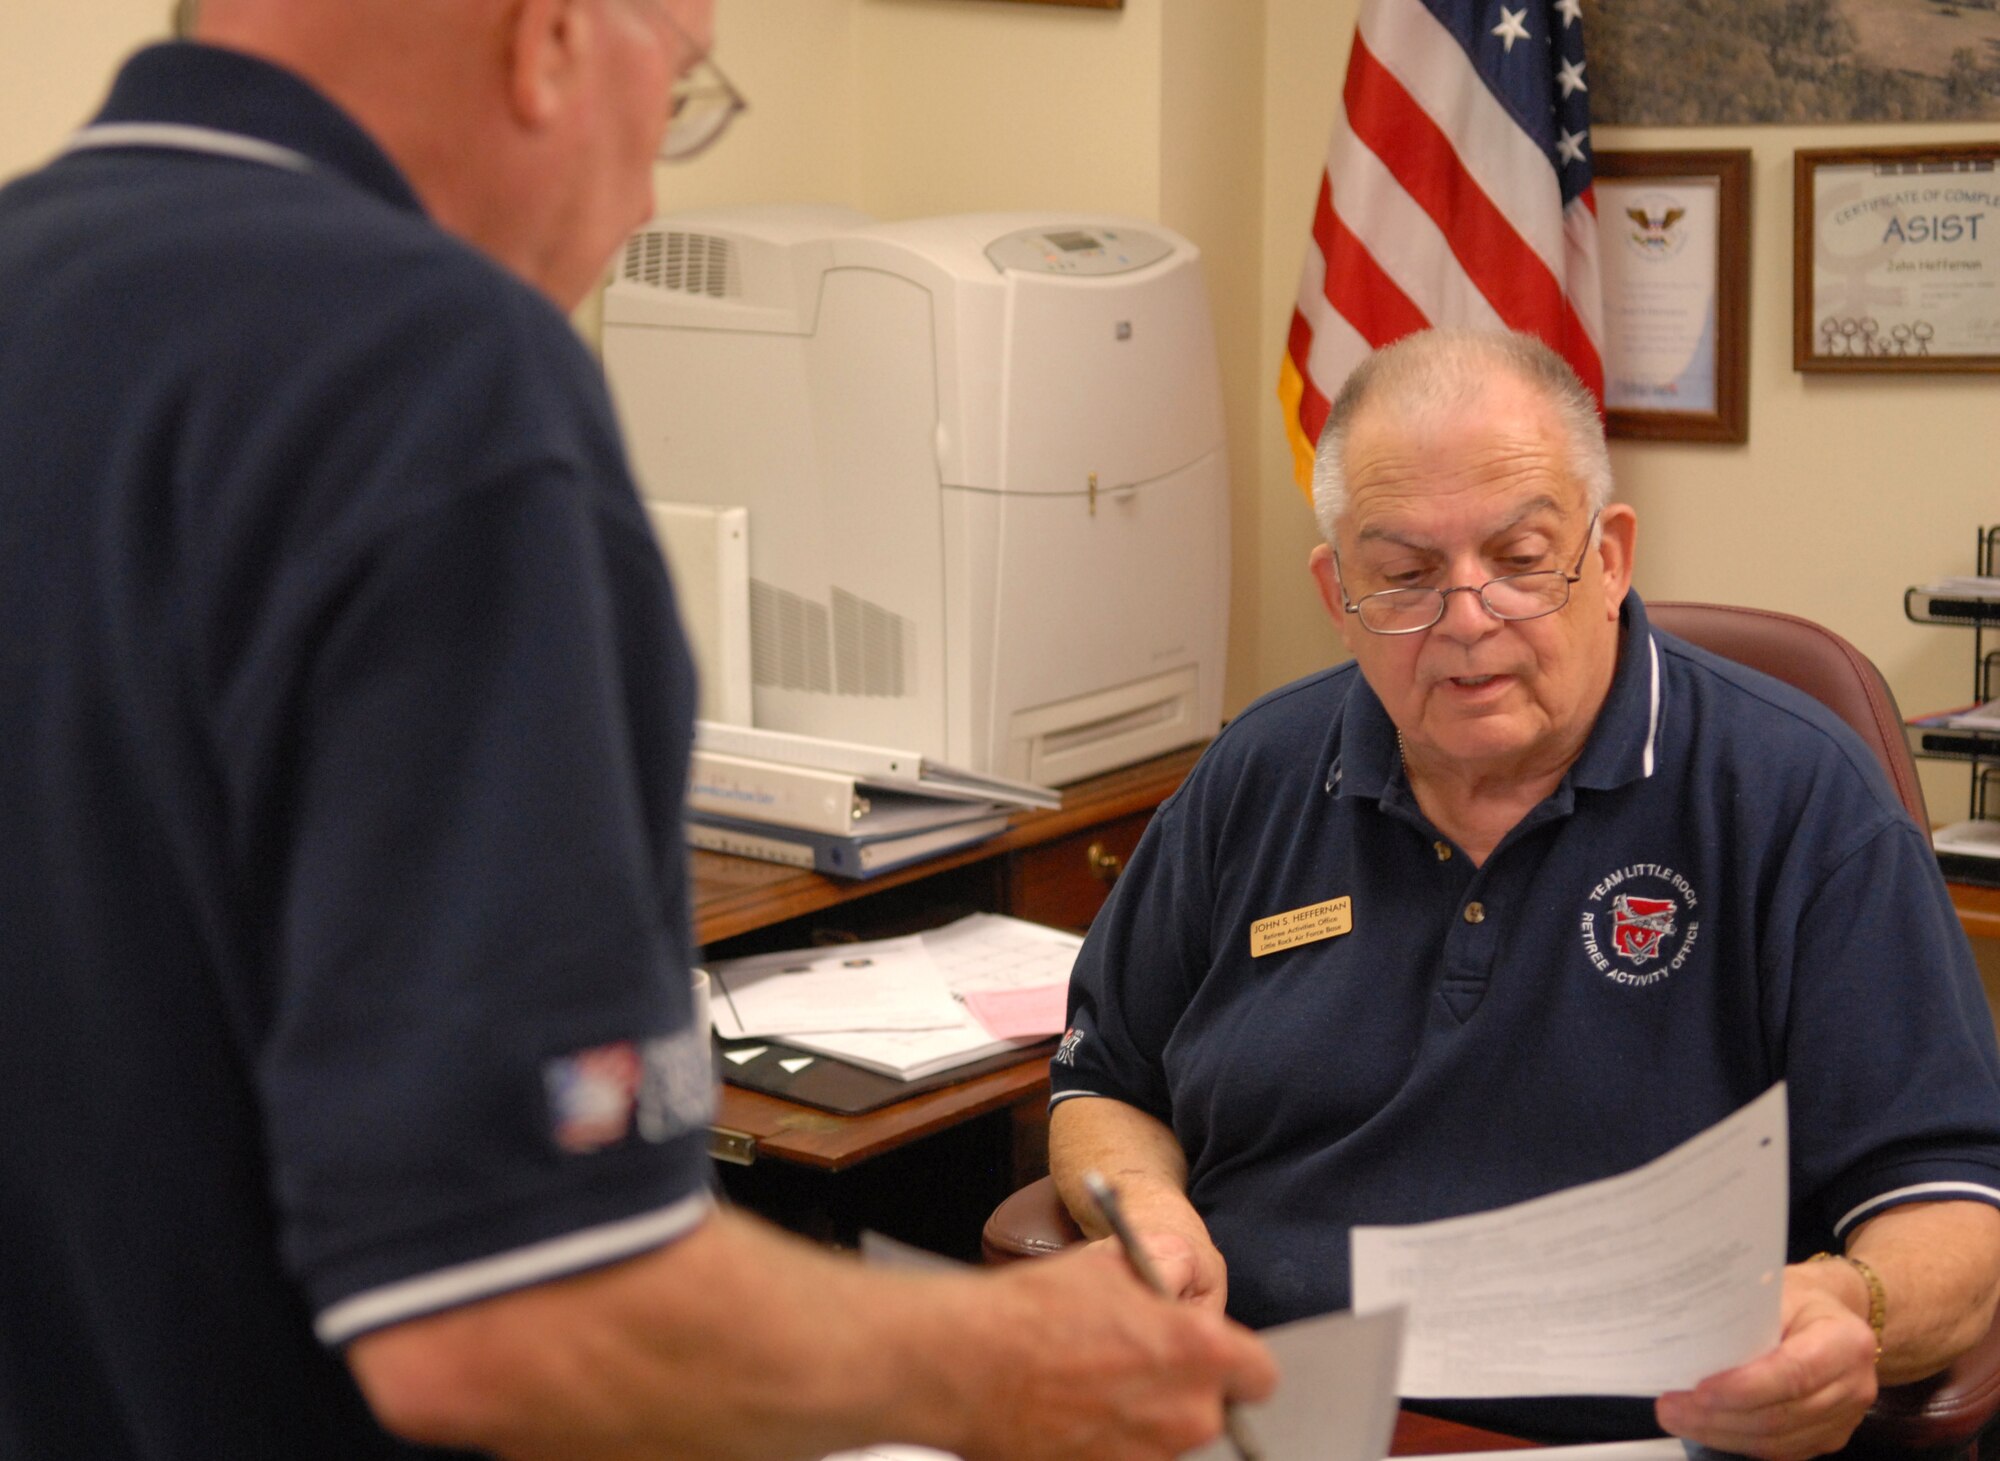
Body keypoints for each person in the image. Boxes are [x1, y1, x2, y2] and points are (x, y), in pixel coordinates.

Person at [0, 2, 1276, 1457]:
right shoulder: (435, 374)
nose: (644, 206)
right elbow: (514, 1308)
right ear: (550, 38)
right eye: (675, 96)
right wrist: (999, 1359)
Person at [1047, 328, 2000, 1461]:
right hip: (1258, 1414)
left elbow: (1950, 1201)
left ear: (1610, 557)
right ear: (1337, 592)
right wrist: (1151, 1214)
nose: (1466, 616)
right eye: (1405, 576)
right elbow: (1103, 1080)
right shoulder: (1255, 771)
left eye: (1519, 557)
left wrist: (1855, 1306)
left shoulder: (1797, 797)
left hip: (1650, 1439)